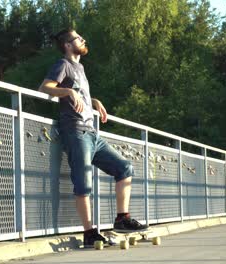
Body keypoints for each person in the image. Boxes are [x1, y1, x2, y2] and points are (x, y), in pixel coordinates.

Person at [38, 29, 148, 247]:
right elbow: (45, 87)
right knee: (83, 182)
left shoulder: (80, 67)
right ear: (68, 45)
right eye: (79, 38)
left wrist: (93, 101)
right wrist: (69, 92)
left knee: (124, 168)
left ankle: (122, 219)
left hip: (92, 133)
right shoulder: (63, 64)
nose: (83, 39)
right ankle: (89, 233)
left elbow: (78, 91)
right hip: (76, 131)